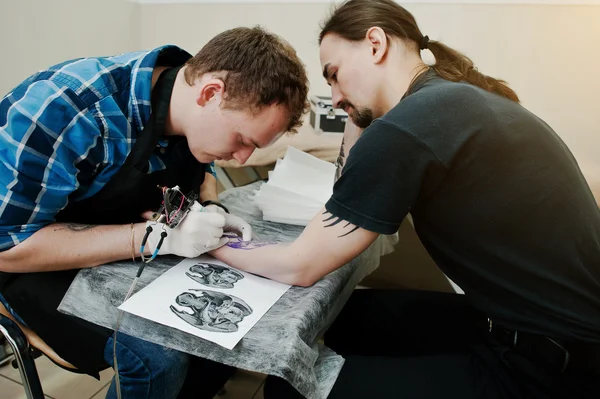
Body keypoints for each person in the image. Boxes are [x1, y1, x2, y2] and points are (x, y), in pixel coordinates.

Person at [209, 1, 600, 398]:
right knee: (347, 319)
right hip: (521, 326)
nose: (336, 95)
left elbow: (301, 265)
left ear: (375, 44)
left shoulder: (408, 126)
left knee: (288, 388)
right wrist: (356, 111)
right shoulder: (447, 101)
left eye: (335, 74)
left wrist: (212, 245)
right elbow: (347, 195)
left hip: (554, 369)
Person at [0, 26, 309, 398]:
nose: (242, 158)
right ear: (211, 93)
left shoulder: (186, 103)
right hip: (27, 262)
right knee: (156, 358)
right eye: (242, 140)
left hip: (117, 248)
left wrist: (209, 207)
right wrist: (154, 238)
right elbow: (8, 245)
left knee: (225, 328)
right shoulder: (64, 111)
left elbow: (193, 172)